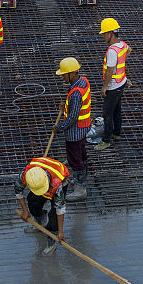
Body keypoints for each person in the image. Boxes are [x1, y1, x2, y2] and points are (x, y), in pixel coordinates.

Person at [52, 57, 90, 200]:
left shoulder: (75, 93)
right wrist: (66, 104)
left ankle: (81, 189)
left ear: (72, 74)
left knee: (75, 160)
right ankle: (81, 181)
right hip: (84, 127)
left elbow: (72, 117)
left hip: (75, 132)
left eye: (63, 74)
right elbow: (76, 106)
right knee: (82, 155)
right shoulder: (83, 82)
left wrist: (59, 127)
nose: (62, 76)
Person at [15, 157, 71, 253]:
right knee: (33, 202)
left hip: (59, 178)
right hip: (43, 178)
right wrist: (25, 210)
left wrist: (60, 232)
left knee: (54, 218)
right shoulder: (27, 174)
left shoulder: (57, 184)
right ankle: (40, 222)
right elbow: (18, 191)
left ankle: (51, 242)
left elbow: (60, 209)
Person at [93, 17, 131, 152]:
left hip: (114, 87)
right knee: (117, 109)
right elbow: (129, 50)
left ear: (111, 34)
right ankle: (117, 133)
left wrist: (104, 87)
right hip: (122, 83)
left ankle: (106, 140)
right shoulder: (122, 45)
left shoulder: (111, 51)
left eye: (104, 34)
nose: (103, 36)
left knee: (107, 113)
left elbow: (109, 71)